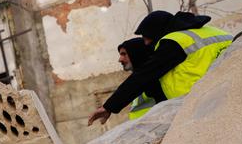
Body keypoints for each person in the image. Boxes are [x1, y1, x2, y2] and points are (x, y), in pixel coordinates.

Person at [88, 11, 232, 125]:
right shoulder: (211, 31)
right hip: (226, 92)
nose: (145, 44)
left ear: (157, 32)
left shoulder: (174, 42)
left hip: (204, 106)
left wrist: (109, 107)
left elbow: (144, 75)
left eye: (146, 38)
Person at [116, 37, 162, 120]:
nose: (120, 59)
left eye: (124, 54)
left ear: (137, 54)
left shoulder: (151, 78)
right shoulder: (137, 79)